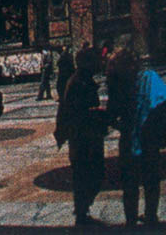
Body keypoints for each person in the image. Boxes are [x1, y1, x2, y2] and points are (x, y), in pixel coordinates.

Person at [106, 47, 166, 229]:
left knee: (131, 184)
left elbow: (112, 115)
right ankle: (150, 216)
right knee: (150, 180)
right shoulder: (148, 79)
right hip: (146, 139)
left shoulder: (118, 83)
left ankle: (132, 221)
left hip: (132, 139)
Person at [55, 46, 107, 227]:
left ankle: (82, 210)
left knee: (86, 173)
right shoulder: (78, 83)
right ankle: (82, 213)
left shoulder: (82, 80)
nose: (99, 63)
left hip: (85, 136)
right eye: (95, 60)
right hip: (83, 137)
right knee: (88, 172)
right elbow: (77, 113)